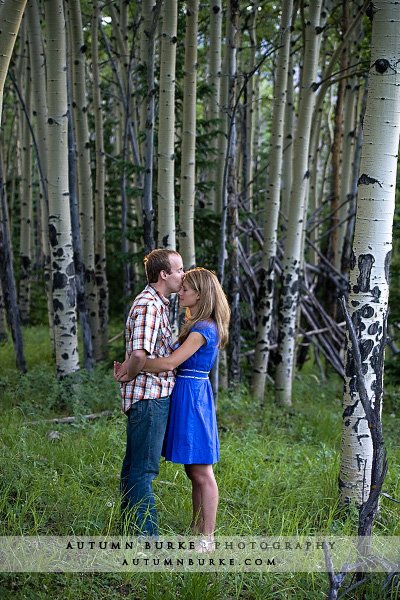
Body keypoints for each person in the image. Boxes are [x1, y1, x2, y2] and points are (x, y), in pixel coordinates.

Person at [142, 267, 230, 548]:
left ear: (201, 294)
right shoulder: (199, 323)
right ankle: (197, 531)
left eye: (185, 290)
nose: (180, 293)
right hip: (188, 394)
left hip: (193, 397)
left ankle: (207, 538)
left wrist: (136, 365)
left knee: (202, 471)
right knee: (194, 471)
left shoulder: (204, 328)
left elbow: (170, 363)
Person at [114, 248, 184, 536]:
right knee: (143, 472)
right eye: (179, 270)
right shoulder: (148, 306)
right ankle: (147, 540)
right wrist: (128, 374)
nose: (183, 275)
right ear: (163, 274)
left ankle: (130, 531)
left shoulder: (157, 304)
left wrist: (130, 371)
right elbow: (140, 354)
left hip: (148, 397)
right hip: (150, 398)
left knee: (132, 469)